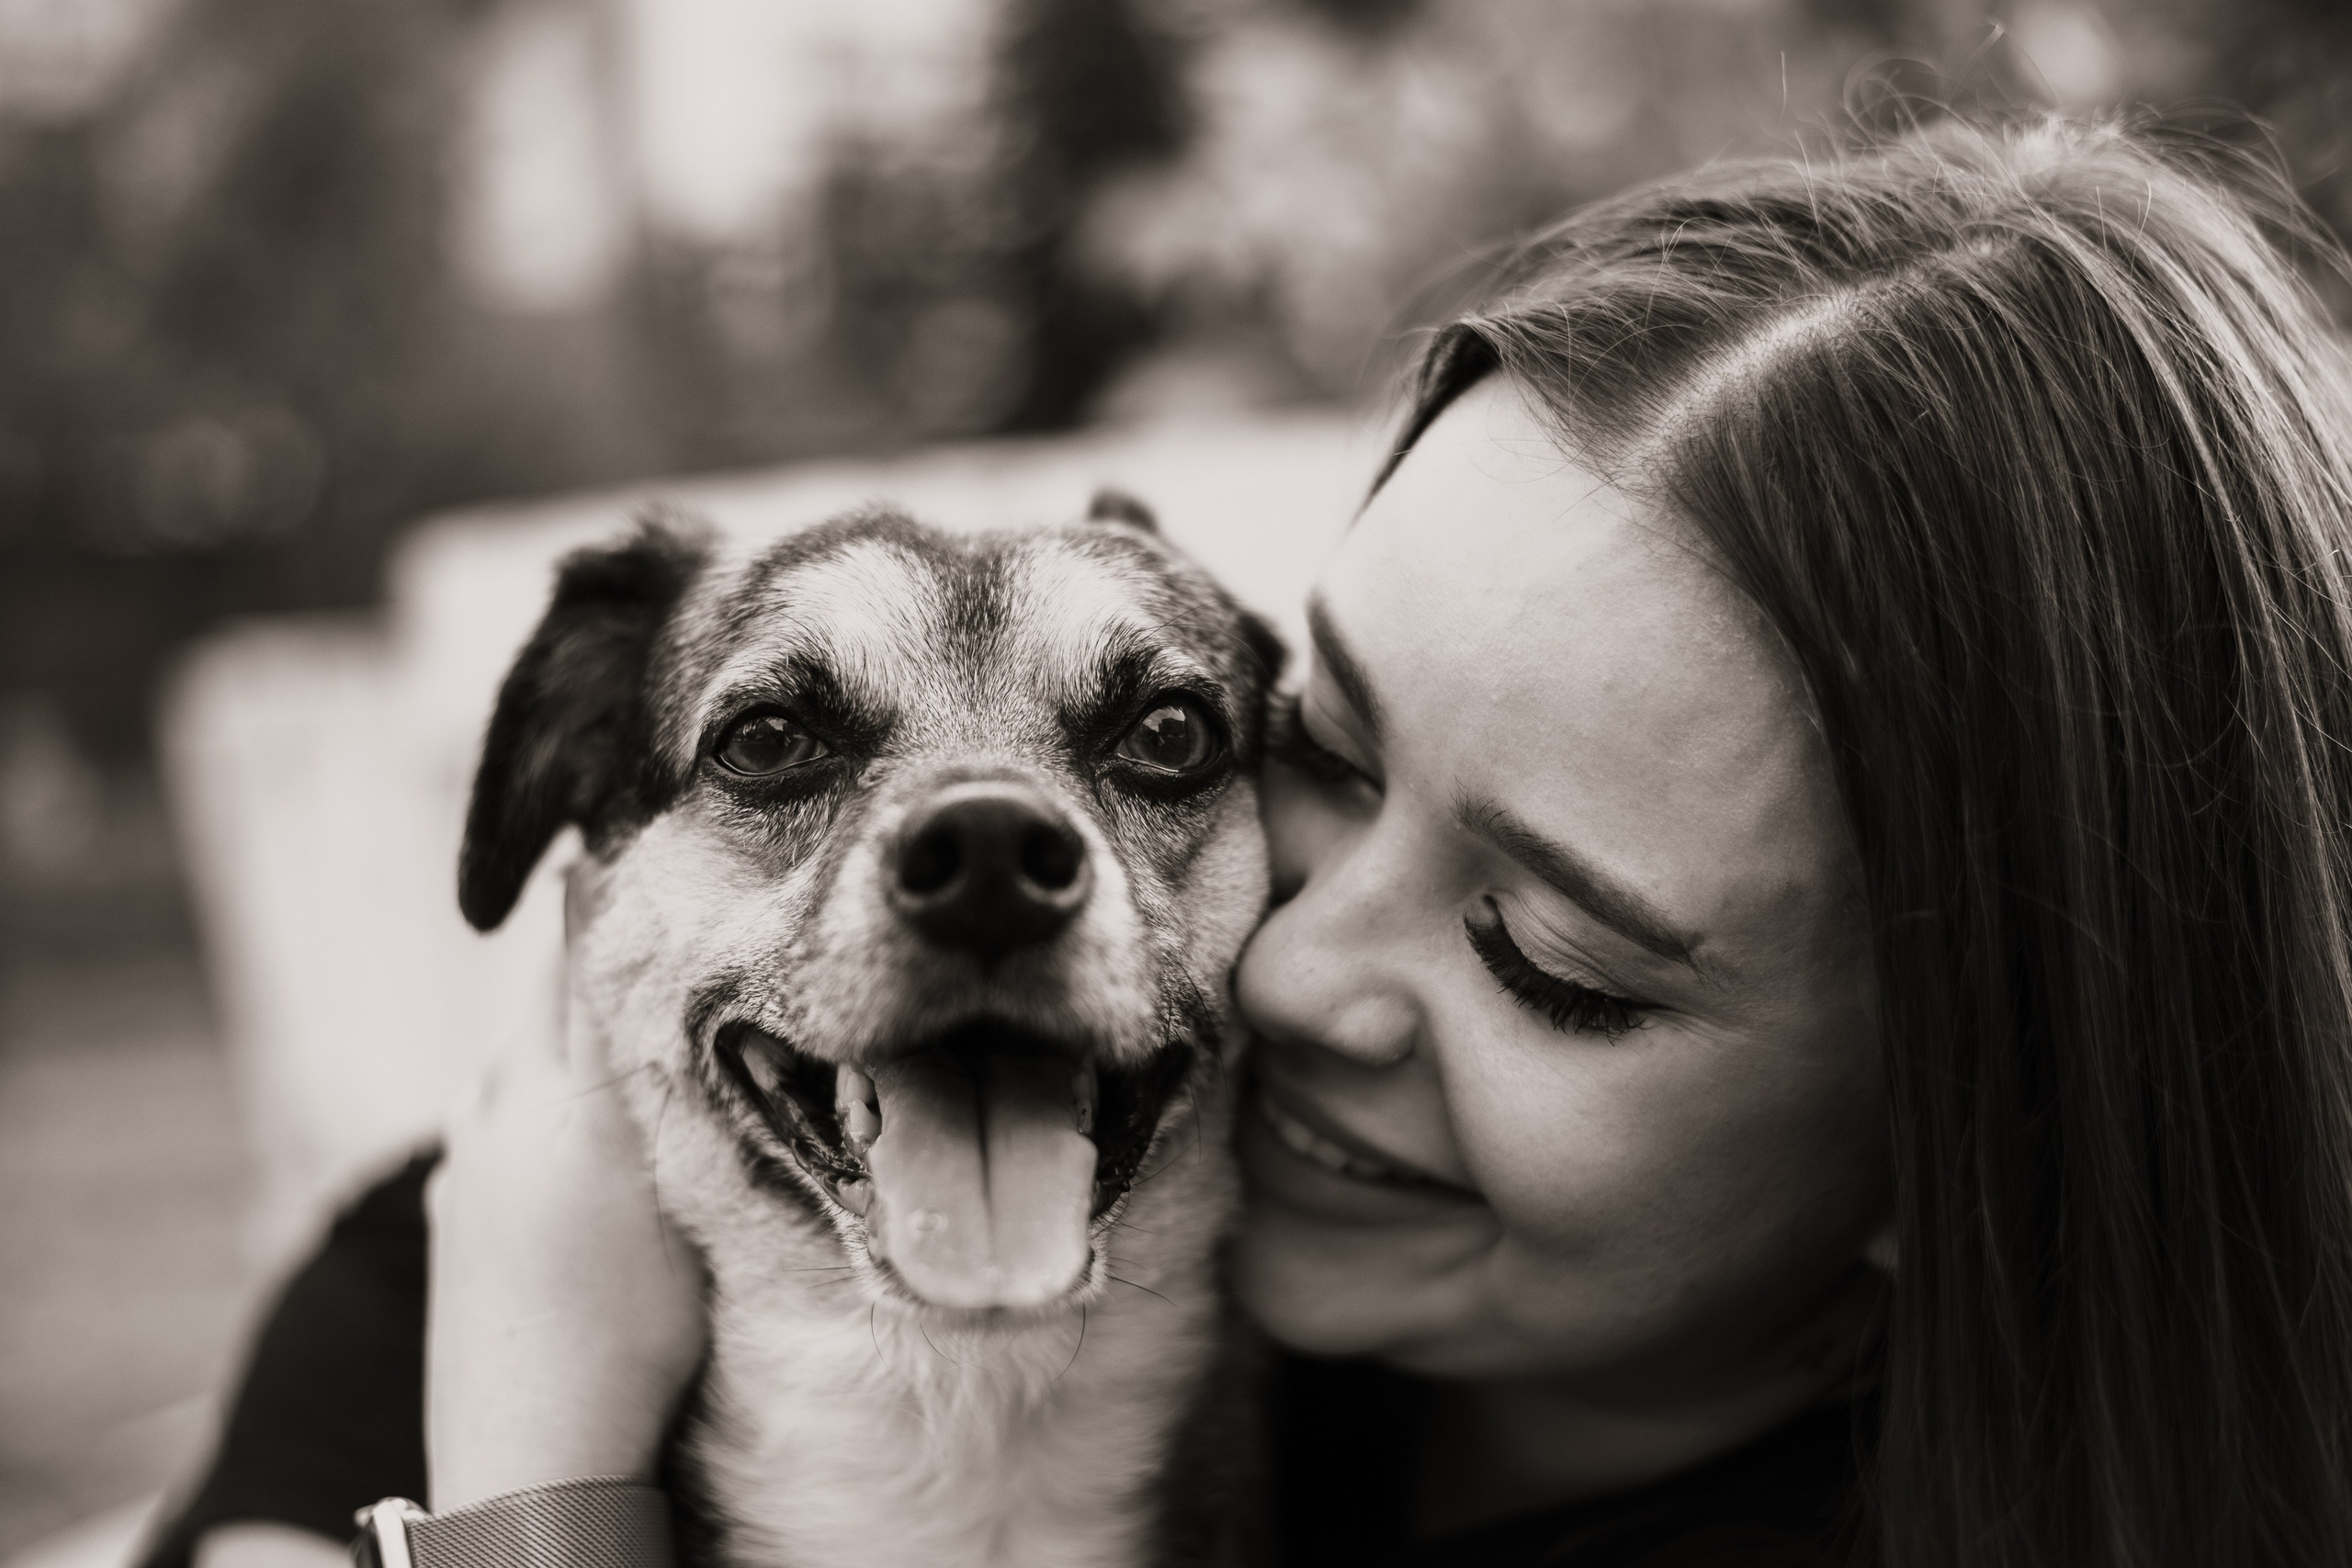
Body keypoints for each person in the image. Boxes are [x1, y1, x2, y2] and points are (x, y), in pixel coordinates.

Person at [146, 111, 2352, 1568]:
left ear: (1970, 1142)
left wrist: (533, 1482)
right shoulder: (495, 1256)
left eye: (1549, 952)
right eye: (1315, 752)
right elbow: (423, 1251)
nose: (1283, 967)